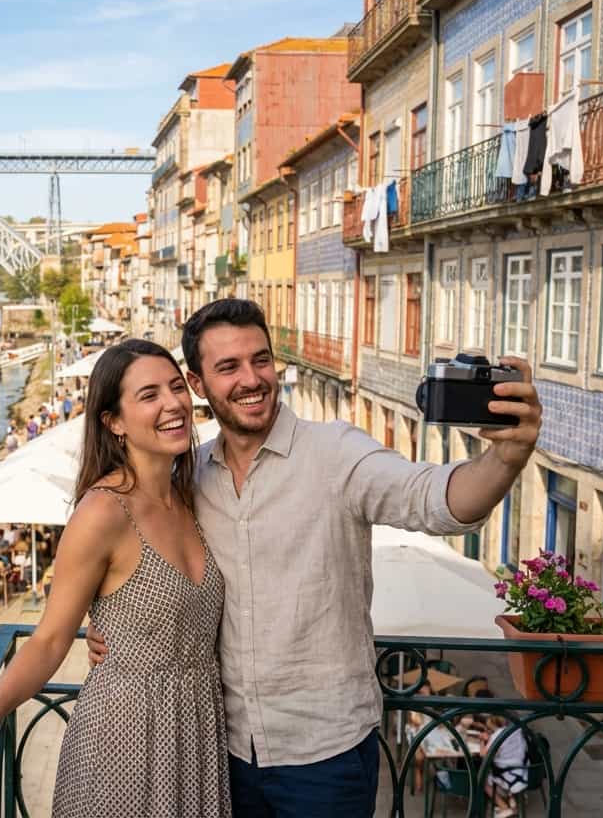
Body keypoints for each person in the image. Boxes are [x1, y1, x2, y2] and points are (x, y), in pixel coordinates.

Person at [85, 299, 542, 817]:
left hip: (326, 757)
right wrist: (111, 623)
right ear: (197, 383)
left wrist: (506, 458)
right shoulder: (191, 476)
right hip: (224, 753)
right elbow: (144, 557)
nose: (251, 379)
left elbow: (437, 499)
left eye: (260, 360)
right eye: (228, 367)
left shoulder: (336, 453)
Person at [0, 340, 230, 817]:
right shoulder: (104, 512)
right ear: (114, 421)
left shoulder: (191, 495)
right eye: (149, 395)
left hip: (197, 734)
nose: (173, 403)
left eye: (176, 387)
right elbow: (49, 640)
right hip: (124, 739)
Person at [482, 715, 529, 818]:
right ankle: (513, 801)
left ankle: (504, 807)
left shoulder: (497, 736)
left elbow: (484, 755)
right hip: (523, 770)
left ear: (491, 723)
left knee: (483, 781)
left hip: (506, 773)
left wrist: (483, 740)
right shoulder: (516, 730)